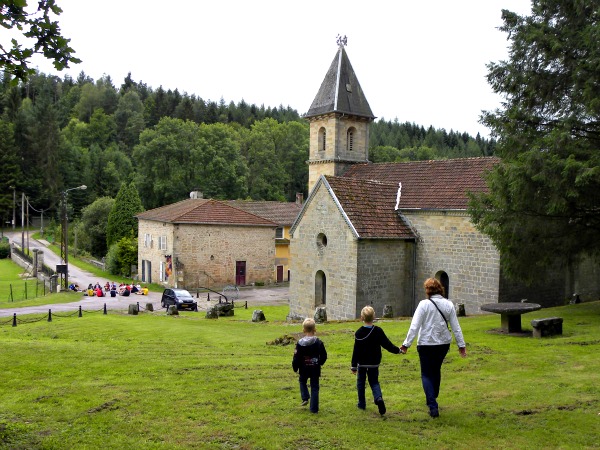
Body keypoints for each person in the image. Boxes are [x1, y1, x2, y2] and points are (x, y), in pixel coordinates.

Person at [400, 277, 467, 418]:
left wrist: (406, 344)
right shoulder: (448, 304)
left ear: (427, 291)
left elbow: (415, 326)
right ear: (440, 289)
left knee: (426, 374)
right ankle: (433, 395)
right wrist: (461, 345)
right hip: (443, 344)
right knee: (436, 370)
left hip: (426, 343)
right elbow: (456, 327)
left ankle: (432, 403)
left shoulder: (423, 305)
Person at [351, 305, 400, 415]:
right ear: (374, 317)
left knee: (360, 383)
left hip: (362, 363)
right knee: (374, 382)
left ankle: (361, 404)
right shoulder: (378, 331)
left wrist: (354, 365)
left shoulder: (359, 333)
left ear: (361, 318)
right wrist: (397, 350)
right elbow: (387, 344)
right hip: (374, 362)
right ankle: (378, 398)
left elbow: (356, 351)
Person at [292, 318, 327, 414]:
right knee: (315, 387)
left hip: (304, 368)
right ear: (315, 329)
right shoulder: (319, 342)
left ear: (303, 330)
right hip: (315, 368)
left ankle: (305, 397)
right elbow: (324, 355)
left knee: (302, 381)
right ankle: (314, 409)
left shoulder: (300, 344)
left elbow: (296, 357)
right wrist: (320, 363)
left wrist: (295, 367)